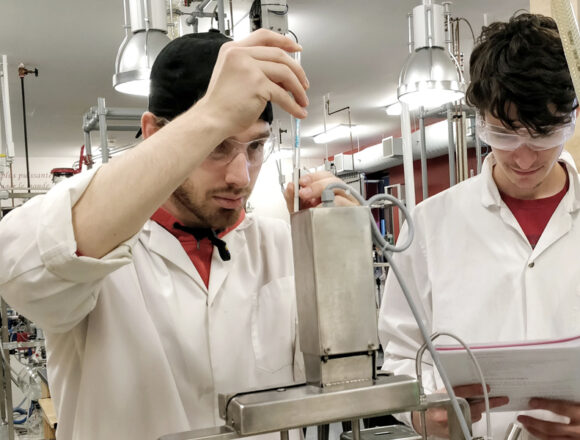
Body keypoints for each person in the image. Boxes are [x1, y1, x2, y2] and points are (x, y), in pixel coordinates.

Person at [0, 29, 347, 440]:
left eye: (255, 147)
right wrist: (212, 114)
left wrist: (339, 254)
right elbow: (23, 275)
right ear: (154, 133)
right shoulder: (101, 252)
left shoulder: (282, 247)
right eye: (217, 145)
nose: (241, 177)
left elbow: (338, 381)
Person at [378, 13, 580, 440]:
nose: (523, 158)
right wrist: (420, 414)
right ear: (481, 118)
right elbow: (400, 355)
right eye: (504, 135)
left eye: (543, 136)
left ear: (571, 119)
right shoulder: (429, 225)